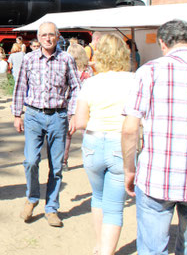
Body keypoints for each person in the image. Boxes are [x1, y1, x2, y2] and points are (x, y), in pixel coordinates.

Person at [122, 19, 187, 254]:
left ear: (162, 43)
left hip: (157, 175)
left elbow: (131, 128)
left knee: (153, 248)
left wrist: (129, 169)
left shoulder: (150, 71)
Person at [11, 21, 80, 227]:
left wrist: (73, 113)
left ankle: (51, 208)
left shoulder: (66, 59)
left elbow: (76, 87)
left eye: (51, 35)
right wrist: (17, 114)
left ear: (58, 36)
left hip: (58, 116)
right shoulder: (29, 59)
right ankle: (32, 198)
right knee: (31, 161)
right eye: (43, 35)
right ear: (38, 38)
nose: (48, 38)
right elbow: (21, 86)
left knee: (56, 166)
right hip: (33, 115)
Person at [72, 34, 135, 255]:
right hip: (121, 144)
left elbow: (79, 122)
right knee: (114, 207)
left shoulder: (90, 82)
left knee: (97, 198)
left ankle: (99, 246)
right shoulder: (134, 80)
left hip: (93, 143)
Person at [63, 42, 93, 170]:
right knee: (87, 134)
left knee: (67, 135)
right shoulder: (89, 70)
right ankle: (90, 159)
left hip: (70, 105)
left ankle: (63, 162)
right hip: (86, 106)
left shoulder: (67, 69)